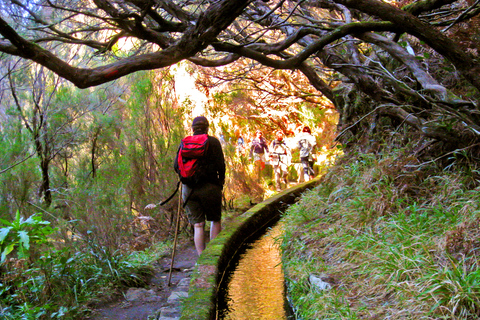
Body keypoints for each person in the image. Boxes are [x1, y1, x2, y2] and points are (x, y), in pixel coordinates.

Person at [174, 116, 226, 256]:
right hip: (210, 187)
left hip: (189, 189)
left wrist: (186, 179)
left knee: (198, 225)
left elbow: (176, 166)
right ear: (207, 128)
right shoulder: (213, 142)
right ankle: (214, 255)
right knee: (215, 220)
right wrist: (220, 183)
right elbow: (221, 165)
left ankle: (201, 257)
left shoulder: (184, 143)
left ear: (193, 129)